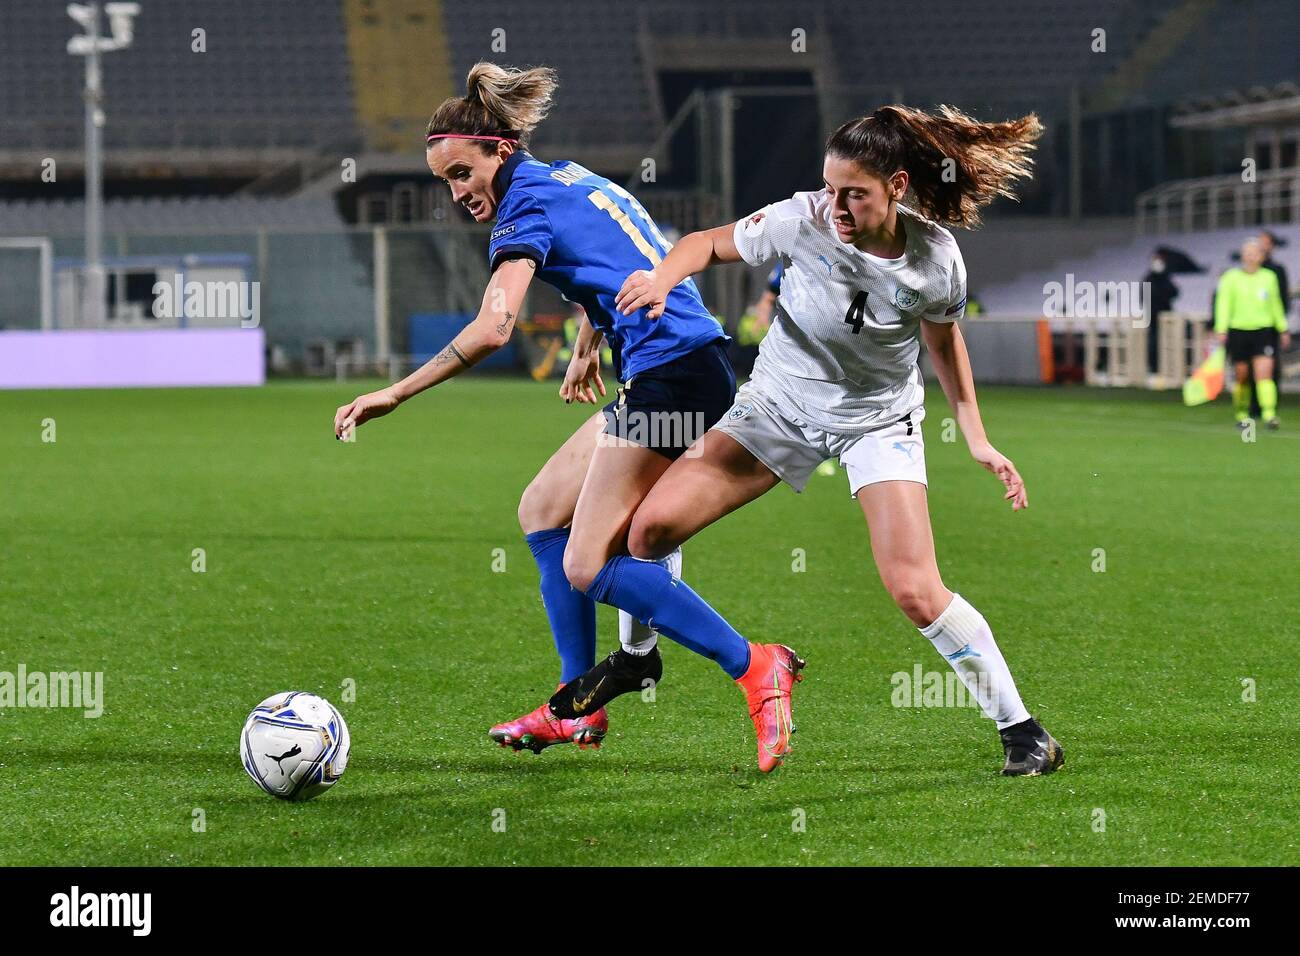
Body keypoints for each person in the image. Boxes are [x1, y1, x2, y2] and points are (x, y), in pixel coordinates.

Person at [550, 104, 1065, 776]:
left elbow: (943, 341)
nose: (838, 206)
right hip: (777, 409)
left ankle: (1023, 731)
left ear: (898, 188)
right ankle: (637, 660)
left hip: (876, 422)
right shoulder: (804, 217)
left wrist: (975, 436)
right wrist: (664, 276)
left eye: (855, 193)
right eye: (831, 188)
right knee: (648, 534)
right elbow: (706, 241)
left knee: (914, 588)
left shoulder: (935, 259)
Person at [332, 62, 746, 754]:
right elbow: (620, 257)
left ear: (500, 150)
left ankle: (748, 662)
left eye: (463, 174)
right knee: (542, 509)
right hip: (677, 369)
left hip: (677, 379)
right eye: (445, 182)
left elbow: (495, 327)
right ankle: (579, 698)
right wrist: (590, 338)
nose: (457, 193)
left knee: (594, 559)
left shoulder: (523, 208)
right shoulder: (567, 177)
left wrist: (393, 392)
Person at [1215, 238, 1289, 430]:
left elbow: (1275, 304)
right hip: (1239, 330)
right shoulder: (1231, 278)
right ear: (1242, 256)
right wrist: (1221, 328)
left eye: (1254, 253)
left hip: (1263, 330)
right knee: (1242, 375)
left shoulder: (1268, 277)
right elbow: (1223, 304)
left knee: (1264, 372)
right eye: (1247, 253)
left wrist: (1282, 327)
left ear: (1261, 256)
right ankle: (1242, 413)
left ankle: (1269, 414)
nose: (1250, 257)